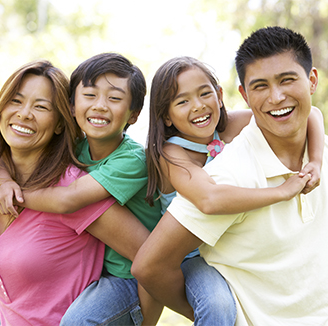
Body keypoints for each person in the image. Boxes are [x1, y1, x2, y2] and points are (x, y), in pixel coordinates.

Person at [132, 26, 328, 326]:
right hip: (188, 254)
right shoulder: (180, 156)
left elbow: (312, 113)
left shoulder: (238, 125)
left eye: (287, 80)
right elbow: (209, 200)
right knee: (216, 307)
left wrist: (315, 161)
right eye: (182, 101)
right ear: (245, 94)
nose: (276, 98)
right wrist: (280, 192)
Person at [0, 53, 163, 326]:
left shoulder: (80, 184)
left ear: (59, 122)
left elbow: (151, 259)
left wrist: (146, 322)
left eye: (41, 107)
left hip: (113, 291)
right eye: (16, 100)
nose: (24, 113)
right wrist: (1, 182)